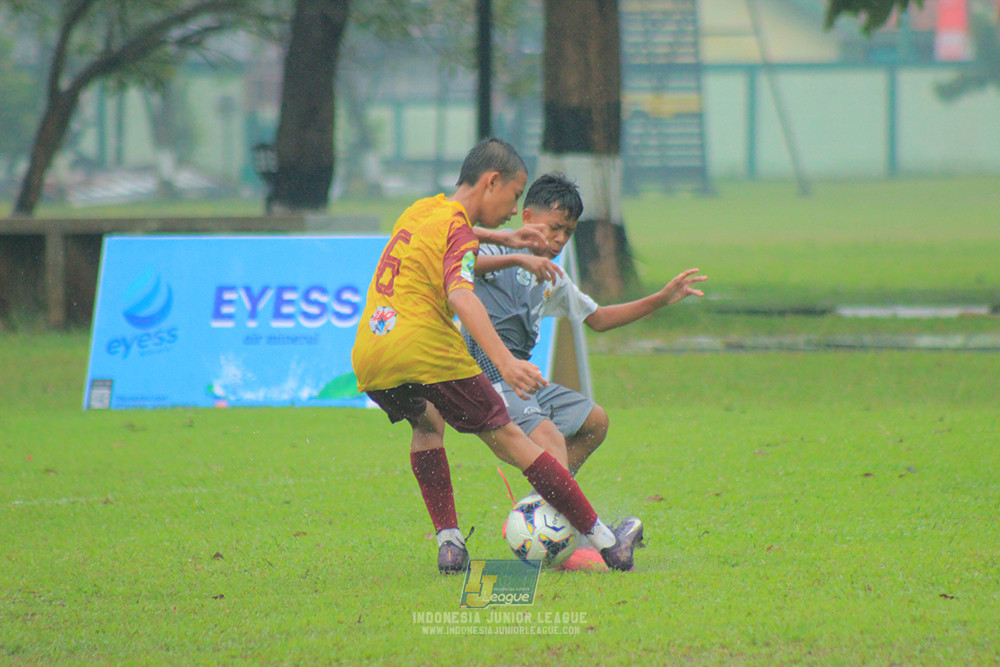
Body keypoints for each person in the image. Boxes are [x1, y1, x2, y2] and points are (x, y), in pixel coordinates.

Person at [351, 139, 644, 575]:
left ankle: (450, 545)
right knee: (514, 440)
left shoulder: (423, 209)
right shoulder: (458, 232)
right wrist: (505, 363)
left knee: (427, 425)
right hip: (428, 350)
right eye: (513, 195)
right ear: (491, 182)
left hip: (373, 352)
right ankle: (607, 541)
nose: (512, 209)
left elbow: (458, 234)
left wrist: (503, 238)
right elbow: (461, 296)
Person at [465, 172, 707, 476]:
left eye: (568, 232)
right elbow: (462, 260)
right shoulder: (498, 249)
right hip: (486, 380)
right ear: (527, 218)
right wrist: (518, 259)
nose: (560, 239)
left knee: (594, 422)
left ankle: (545, 500)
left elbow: (600, 319)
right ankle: (565, 505)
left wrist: (660, 299)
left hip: (522, 383)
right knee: (551, 441)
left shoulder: (553, 278)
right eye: (554, 228)